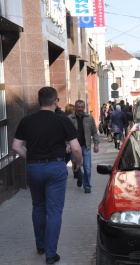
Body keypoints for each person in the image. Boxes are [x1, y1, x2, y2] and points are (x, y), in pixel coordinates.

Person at [12, 86, 82, 264]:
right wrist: (78, 163)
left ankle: (41, 245)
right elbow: (75, 148)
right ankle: (51, 254)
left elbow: (16, 146)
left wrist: (32, 158)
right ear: (56, 101)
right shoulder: (63, 120)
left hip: (34, 168)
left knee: (38, 206)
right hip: (56, 167)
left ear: (38, 101)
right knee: (54, 211)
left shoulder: (27, 120)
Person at [68, 100, 100, 193]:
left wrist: (96, 144)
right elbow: (66, 133)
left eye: (82, 107)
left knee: (87, 167)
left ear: (84, 107)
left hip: (86, 146)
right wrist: (67, 145)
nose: (80, 109)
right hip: (74, 147)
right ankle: (80, 177)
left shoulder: (89, 118)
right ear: (75, 107)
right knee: (75, 166)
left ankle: (87, 186)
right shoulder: (69, 118)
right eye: (78, 107)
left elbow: (94, 132)